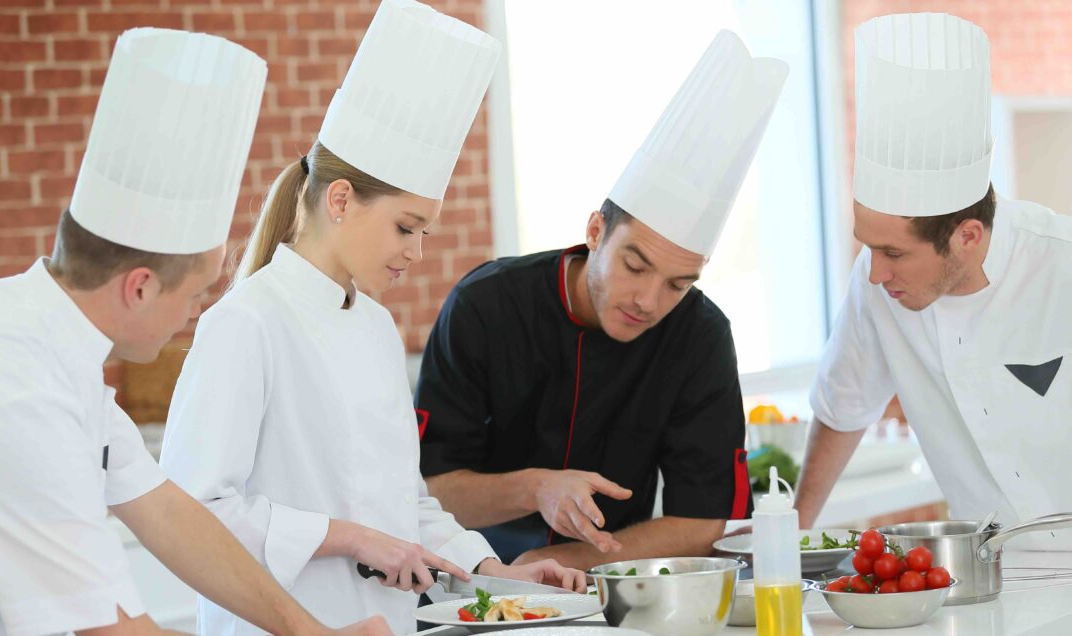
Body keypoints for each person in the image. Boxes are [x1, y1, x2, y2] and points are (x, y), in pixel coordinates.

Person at [0, 28, 388, 635]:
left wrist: (309, 632)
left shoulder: (40, 341)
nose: (198, 313)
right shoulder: (15, 391)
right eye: (195, 291)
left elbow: (169, 513)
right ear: (140, 286)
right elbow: (116, 632)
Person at [158, 2, 585, 634]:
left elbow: (406, 505)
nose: (417, 251)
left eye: (425, 232)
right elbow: (193, 515)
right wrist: (346, 537)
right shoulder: (247, 323)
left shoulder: (377, 329)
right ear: (340, 200)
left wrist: (494, 569)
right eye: (406, 227)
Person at [414, 30, 789, 569]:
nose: (649, 300)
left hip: (618, 587)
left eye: (678, 284)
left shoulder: (700, 335)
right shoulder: (486, 306)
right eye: (636, 265)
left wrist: (573, 563)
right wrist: (535, 488)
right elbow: (428, 491)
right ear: (595, 231)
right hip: (477, 584)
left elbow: (708, 519)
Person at [794, 13, 1072, 549]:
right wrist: (789, 535)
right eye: (867, 246)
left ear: (967, 236)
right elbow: (842, 405)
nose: (876, 271)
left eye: (893, 252)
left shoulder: (1061, 264)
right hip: (993, 583)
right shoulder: (875, 284)